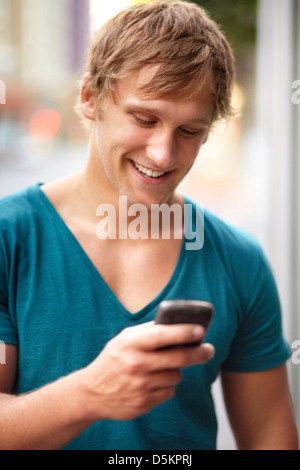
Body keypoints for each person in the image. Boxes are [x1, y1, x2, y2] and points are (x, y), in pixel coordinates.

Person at [0, 0, 298, 450]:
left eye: (190, 131)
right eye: (145, 118)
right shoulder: (10, 239)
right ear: (90, 99)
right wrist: (88, 394)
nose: (163, 154)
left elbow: (271, 440)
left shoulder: (237, 260)